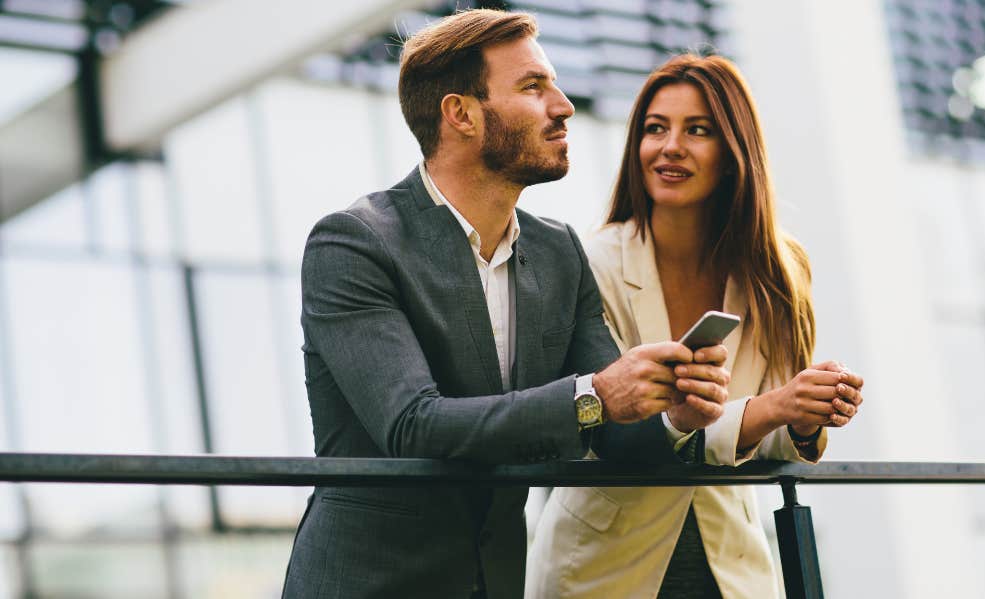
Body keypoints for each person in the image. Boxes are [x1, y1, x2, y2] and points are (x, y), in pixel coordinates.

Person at [281, 11, 733, 599]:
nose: (564, 105)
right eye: (532, 87)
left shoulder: (558, 251)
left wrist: (675, 414)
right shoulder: (354, 242)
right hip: (367, 583)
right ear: (461, 114)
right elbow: (413, 425)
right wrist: (596, 394)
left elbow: (609, 432)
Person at [526, 54, 866, 598]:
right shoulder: (590, 262)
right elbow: (599, 431)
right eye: (655, 128)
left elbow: (763, 440)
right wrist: (773, 407)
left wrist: (803, 416)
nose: (670, 147)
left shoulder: (778, 270)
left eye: (698, 130)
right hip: (602, 565)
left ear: (734, 153)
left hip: (729, 565)